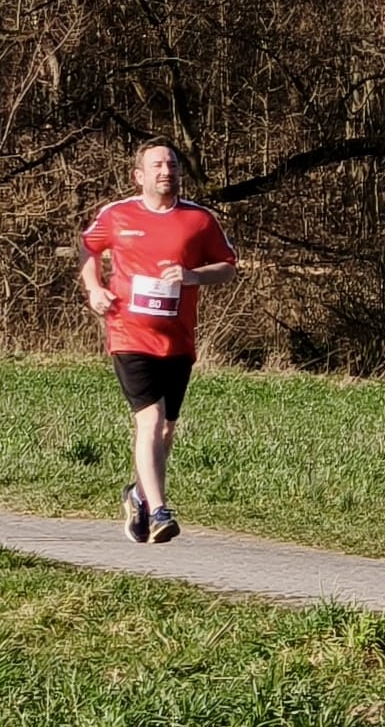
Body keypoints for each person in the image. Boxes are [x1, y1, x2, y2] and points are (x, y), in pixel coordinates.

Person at [79, 138, 237, 543]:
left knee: (165, 429)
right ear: (139, 176)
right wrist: (94, 288)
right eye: (158, 166)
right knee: (149, 419)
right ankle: (160, 511)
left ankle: (138, 494)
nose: (167, 172)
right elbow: (88, 247)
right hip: (129, 333)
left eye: (172, 165)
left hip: (178, 340)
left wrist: (193, 275)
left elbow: (228, 267)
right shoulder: (117, 215)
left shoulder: (199, 219)